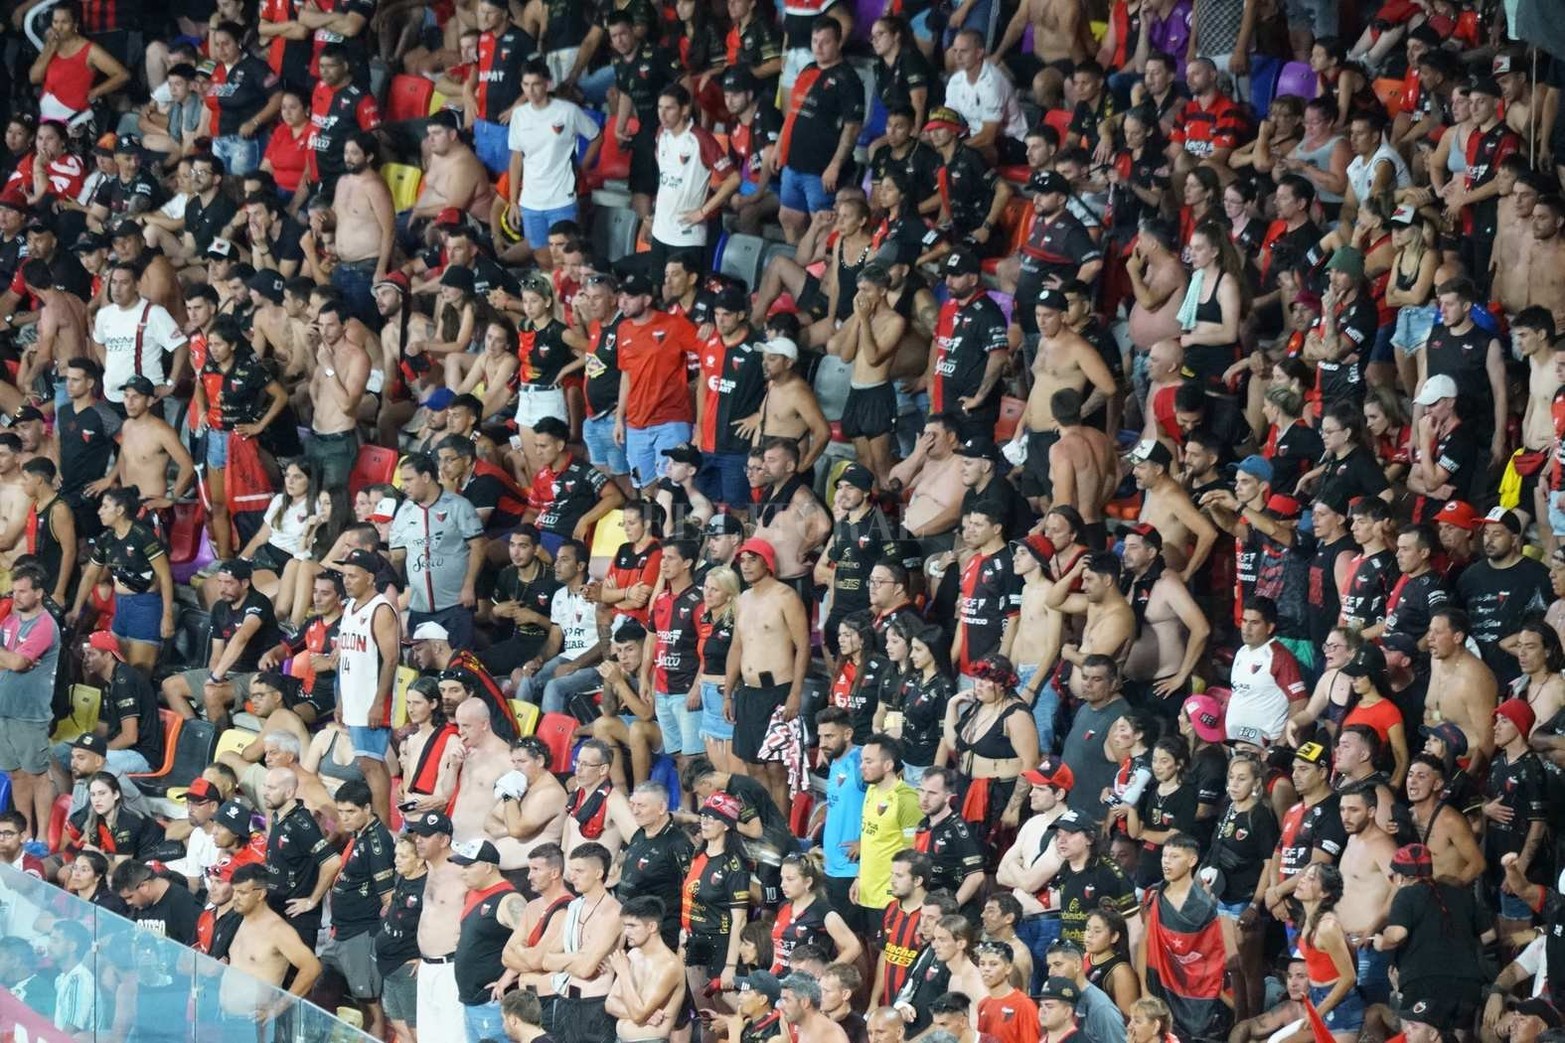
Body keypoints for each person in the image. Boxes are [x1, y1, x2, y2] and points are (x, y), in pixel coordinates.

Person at [221, 863, 324, 1026]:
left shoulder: (278, 930)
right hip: (225, 1019)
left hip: (255, 1023)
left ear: (261, 894)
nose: (235, 898)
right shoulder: (238, 921)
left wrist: (279, 1007)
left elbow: (312, 967)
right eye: (234, 891)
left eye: (242, 892)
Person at [0, 564, 61, 838]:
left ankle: (44, 836)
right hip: (4, 709)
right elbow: (10, 662)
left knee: (37, 775)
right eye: (14, 591)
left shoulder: (45, 625)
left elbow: (16, 661)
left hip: (30, 713)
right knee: (15, 774)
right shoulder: (10, 620)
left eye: (23, 591)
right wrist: (11, 660)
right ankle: (24, 833)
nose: (17, 596)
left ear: (39, 593)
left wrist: (13, 661)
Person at [606, 896, 686, 1041]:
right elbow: (610, 1004)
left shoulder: (670, 966)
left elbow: (638, 1015)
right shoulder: (633, 955)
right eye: (625, 926)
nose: (626, 932)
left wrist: (623, 973)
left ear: (652, 927)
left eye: (632, 926)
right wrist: (647, 1016)